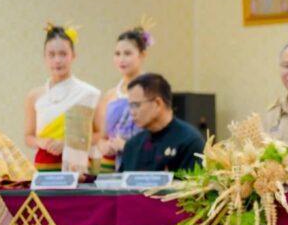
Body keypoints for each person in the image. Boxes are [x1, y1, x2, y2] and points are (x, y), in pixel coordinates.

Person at [24, 23, 101, 172]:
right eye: (51, 55)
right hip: (44, 168)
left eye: (63, 54)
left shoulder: (88, 94)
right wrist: (43, 142)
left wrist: (69, 143)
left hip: (78, 170)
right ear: (45, 58)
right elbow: (28, 137)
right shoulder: (34, 96)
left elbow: (99, 135)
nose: (57, 60)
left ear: (73, 56)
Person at [93, 21, 152, 172]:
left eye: (127, 53)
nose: (121, 59)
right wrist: (104, 145)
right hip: (111, 165)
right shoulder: (110, 95)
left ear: (142, 55)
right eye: (117, 54)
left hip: (143, 164)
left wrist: (127, 145)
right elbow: (101, 136)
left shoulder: (152, 91)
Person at [119, 73, 204, 173]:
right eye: (130, 106)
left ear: (158, 103)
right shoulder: (133, 145)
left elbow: (192, 182)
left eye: (136, 105)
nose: (132, 112)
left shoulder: (189, 141)